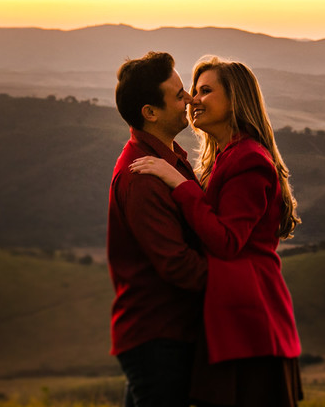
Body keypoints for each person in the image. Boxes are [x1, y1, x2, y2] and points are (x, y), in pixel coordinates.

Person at [130, 56, 303, 407]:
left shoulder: (248, 160)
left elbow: (227, 241)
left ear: (236, 99)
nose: (194, 99)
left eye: (205, 91)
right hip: (233, 309)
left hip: (249, 314)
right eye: (193, 91)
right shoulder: (226, 157)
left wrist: (179, 184)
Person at [109, 52, 209, 407]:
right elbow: (177, 265)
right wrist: (239, 276)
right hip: (159, 336)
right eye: (179, 94)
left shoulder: (168, 159)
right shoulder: (144, 179)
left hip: (160, 334)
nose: (190, 99)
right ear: (150, 112)